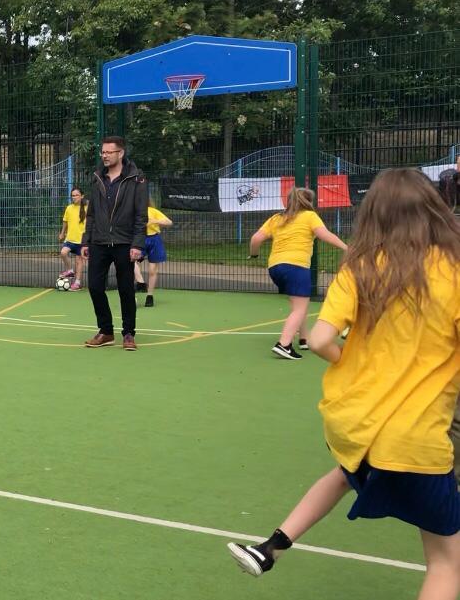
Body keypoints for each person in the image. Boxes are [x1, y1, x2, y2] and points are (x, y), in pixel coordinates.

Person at [227, 169, 460, 600]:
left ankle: (270, 548)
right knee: (447, 563)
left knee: (344, 471)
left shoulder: (360, 268)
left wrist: (351, 360)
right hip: (416, 437)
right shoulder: (453, 270)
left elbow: (318, 340)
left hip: (354, 421)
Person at [248, 188, 348, 359]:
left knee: (298, 304)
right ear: (309, 201)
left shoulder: (276, 218)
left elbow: (256, 239)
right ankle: (284, 344)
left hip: (275, 268)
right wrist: (347, 248)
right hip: (296, 266)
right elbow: (324, 234)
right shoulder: (309, 216)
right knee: (299, 309)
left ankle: (304, 338)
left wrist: (254, 254)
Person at [83, 136, 148, 351]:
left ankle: (128, 333)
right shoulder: (97, 178)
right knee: (94, 286)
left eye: (109, 152)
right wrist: (86, 241)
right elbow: (91, 213)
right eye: (103, 152)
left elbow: (141, 215)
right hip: (99, 242)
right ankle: (106, 331)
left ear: (120, 153)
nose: (104, 155)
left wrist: (137, 244)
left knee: (125, 290)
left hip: (124, 242)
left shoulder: (136, 179)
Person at [140, 202, 172, 308]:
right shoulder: (132, 211)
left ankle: (150, 296)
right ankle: (140, 282)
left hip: (154, 240)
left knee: (152, 270)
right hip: (139, 239)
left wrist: (155, 221)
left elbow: (169, 222)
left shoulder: (152, 211)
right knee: (130, 262)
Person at [57, 188, 87, 291]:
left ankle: (77, 283)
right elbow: (65, 221)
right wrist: (62, 233)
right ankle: (70, 271)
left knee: (79, 261)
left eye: (76, 195)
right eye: (73, 195)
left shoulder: (87, 208)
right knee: (63, 253)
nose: (74, 197)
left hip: (81, 240)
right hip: (70, 238)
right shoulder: (69, 208)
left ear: (82, 196)